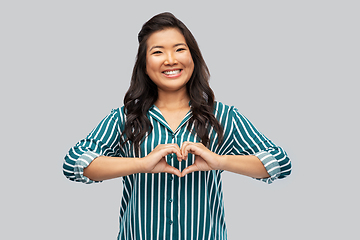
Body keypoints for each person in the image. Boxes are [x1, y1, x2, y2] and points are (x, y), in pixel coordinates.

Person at [63, 12, 292, 240]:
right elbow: (74, 163)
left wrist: (220, 161)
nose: (170, 59)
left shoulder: (222, 116)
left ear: (193, 57)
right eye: (158, 52)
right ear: (144, 65)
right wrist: (141, 164)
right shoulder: (125, 118)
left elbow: (280, 163)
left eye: (179, 49)